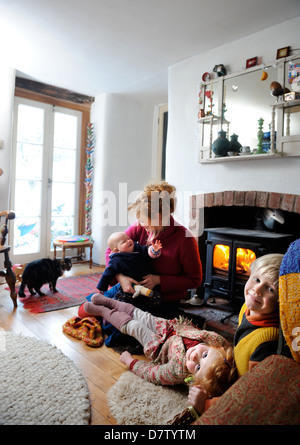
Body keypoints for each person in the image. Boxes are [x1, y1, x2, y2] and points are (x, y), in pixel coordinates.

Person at [83, 293, 237, 390]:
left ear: (194, 380)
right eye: (204, 355)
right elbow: (227, 348)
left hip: (158, 346)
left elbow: (153, 374)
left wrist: (131, 362)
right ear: (215, 348)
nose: (194, 356)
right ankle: (110, 302)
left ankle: (104, 311)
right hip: (170, 327)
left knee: (135, 326)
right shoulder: (215, 341)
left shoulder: (178, 372)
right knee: (140, 314)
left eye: (197, 367)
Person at [105, 181, 203, 319]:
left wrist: (159, 280)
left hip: (162, 300)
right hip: (131, 291)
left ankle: (185, 318)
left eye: (143, 220)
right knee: (90, 307)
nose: (138, 223)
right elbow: (111, 251)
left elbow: (194, 280)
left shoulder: (185, 240)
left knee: (119, 323)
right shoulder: (140, 228)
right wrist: (121, 278)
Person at [96, 231, 162, 295]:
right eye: (124, 242)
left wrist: (154, 250)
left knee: (155, 299)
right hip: (130, 286)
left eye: (128, 238)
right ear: (117, 250)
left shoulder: (137, 247)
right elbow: (108, 273)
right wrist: (101, 287)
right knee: (122, 300)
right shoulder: (116, 260)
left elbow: (146, 251)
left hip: (147, 283)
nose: (129, 241)